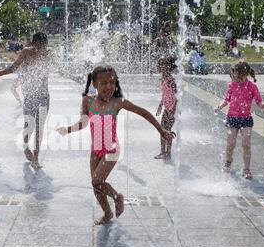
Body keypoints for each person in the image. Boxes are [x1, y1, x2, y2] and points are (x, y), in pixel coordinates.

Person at [56, 64, 176, 225]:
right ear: (95, 84)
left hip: (111, 149)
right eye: (104, 83)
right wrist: (67, 130)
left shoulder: (117, 102)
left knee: (96, 181)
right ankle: (107, 214)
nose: (108, 86)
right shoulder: (87, 101)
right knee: (96, 186)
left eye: (112, 82)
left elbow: (143, 112)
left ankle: (117, 196)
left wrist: (161, 130)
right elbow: (83, 122)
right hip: (95, 149)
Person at [0, 32, 81, 169]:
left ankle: (36, 158)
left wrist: (73, 77)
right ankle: (26, 147)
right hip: (30, 93)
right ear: (33, 44)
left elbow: (60, 70)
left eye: (43, 47)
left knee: (40, 126)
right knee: (29, 125)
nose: (41, 50)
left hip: (44, 95)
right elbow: (14, 67)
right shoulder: (26, 52)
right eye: (39, 47)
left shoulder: (48, 53)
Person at [214, 61, 264, 179]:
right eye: (234, 76)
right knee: (231, 143)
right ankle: (228, 161)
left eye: (239, 77)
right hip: (232, 118)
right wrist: (220, 106)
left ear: (246, 75)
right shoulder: (231, 85)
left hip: (246, 119)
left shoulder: (252, 87)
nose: (236, 79)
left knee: (246, 144)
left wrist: (263, 105)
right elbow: (226, 100)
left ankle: (246, 169)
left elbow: (258, 101)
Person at [155, 56, 178, 159]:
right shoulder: (164, 78)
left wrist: (173, 110)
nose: (159, 66)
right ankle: (163, 152)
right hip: (167, 108)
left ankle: (167, 153)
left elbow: (176, 95)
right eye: (159, 63)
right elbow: (165, 94)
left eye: (161, 63)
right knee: (163, 130)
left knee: (166, 130)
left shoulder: (170, 80)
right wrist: (160, 106)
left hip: (171, 109)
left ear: (168, 66)